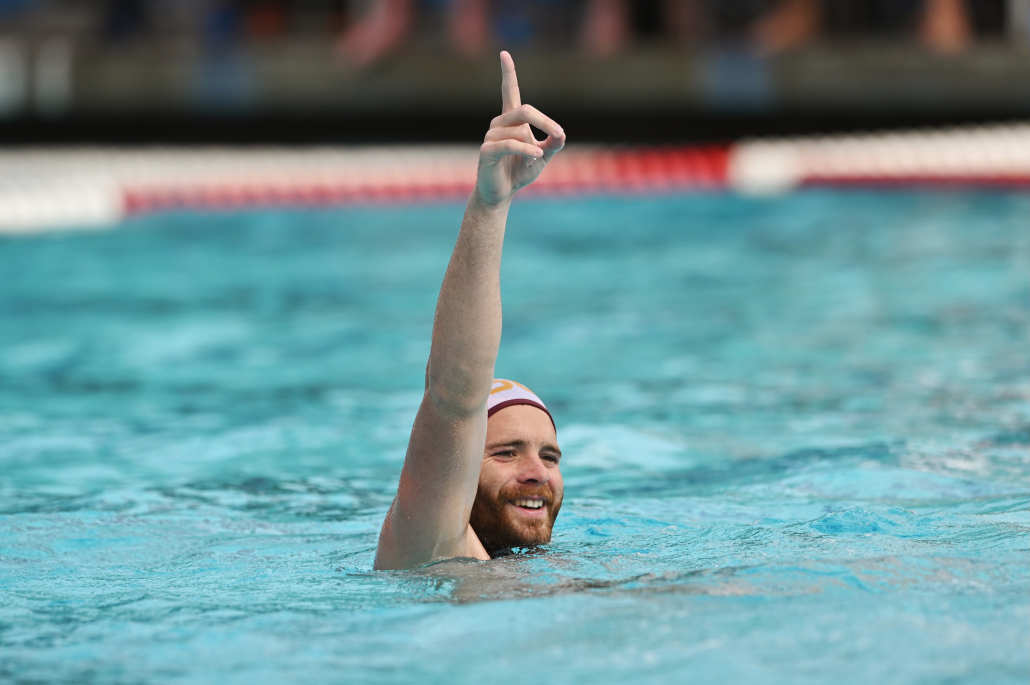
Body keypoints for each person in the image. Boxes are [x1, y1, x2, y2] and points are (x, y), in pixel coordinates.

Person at [374, 51, 566, 571]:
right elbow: (454, 399)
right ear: (458, 466)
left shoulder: (564, 571)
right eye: (505, 453)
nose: (537, 474)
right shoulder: (426, 549)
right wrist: (491, 203)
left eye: (549, 456)